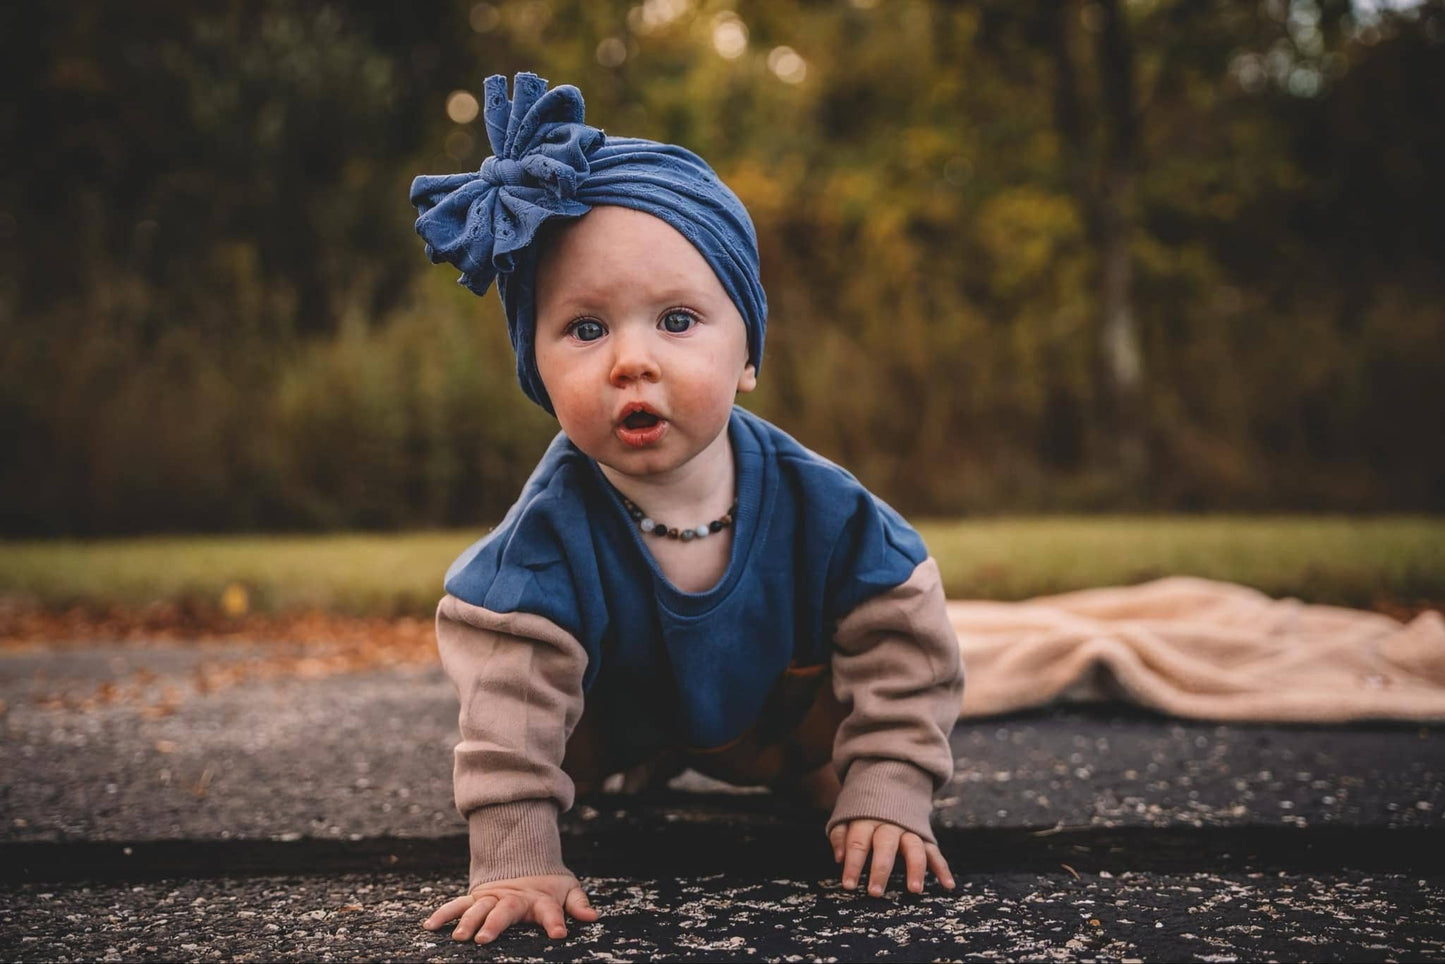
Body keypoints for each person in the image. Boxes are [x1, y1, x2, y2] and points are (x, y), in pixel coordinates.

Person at [411, 72, 964, 946]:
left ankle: (836, 784)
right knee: (553, 728)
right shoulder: (541, 545)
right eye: (585, 330)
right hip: (611, 731)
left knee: (848, 770)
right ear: (537, 373)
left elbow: (903, 635)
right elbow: (507, 707)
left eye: (676, 320)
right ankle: (645, 761)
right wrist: (516, 855)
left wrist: (890, 785)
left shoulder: (824, 508)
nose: (631, 360)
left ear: (747, 351)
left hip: (782, 733)